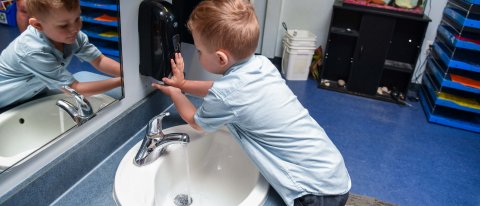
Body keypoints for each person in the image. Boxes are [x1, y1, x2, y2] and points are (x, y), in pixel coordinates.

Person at [152, 0, 351, 205]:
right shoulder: (262, 64)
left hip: (313, 192)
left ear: (221, 58)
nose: (198, 54)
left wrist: (176, 92)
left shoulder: (227, 95)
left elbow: (197, 122)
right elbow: (223, 90)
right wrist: (184, 83)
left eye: (200, 51)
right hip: (332, 171)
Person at [0, 0, 121, 109]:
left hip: (32, 93)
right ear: (38, 25)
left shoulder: (72, 35)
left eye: (77, 19)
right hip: (5, 101)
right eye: (64, 25)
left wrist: (126, 72)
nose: (75, 28)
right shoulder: (33, 51)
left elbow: (99, 60)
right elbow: (75, 89)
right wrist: (120, 81)